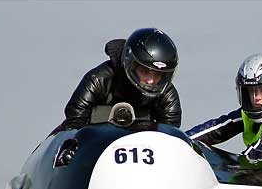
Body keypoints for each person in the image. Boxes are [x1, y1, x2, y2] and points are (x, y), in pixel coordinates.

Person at [51, 28, 182, 133]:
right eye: (145, 72)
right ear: (130, 63)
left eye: (157, 75)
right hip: (94, 148)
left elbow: (170, 134)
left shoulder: (166, 93)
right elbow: (74, 122)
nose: (151, 81)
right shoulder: (99, 80)